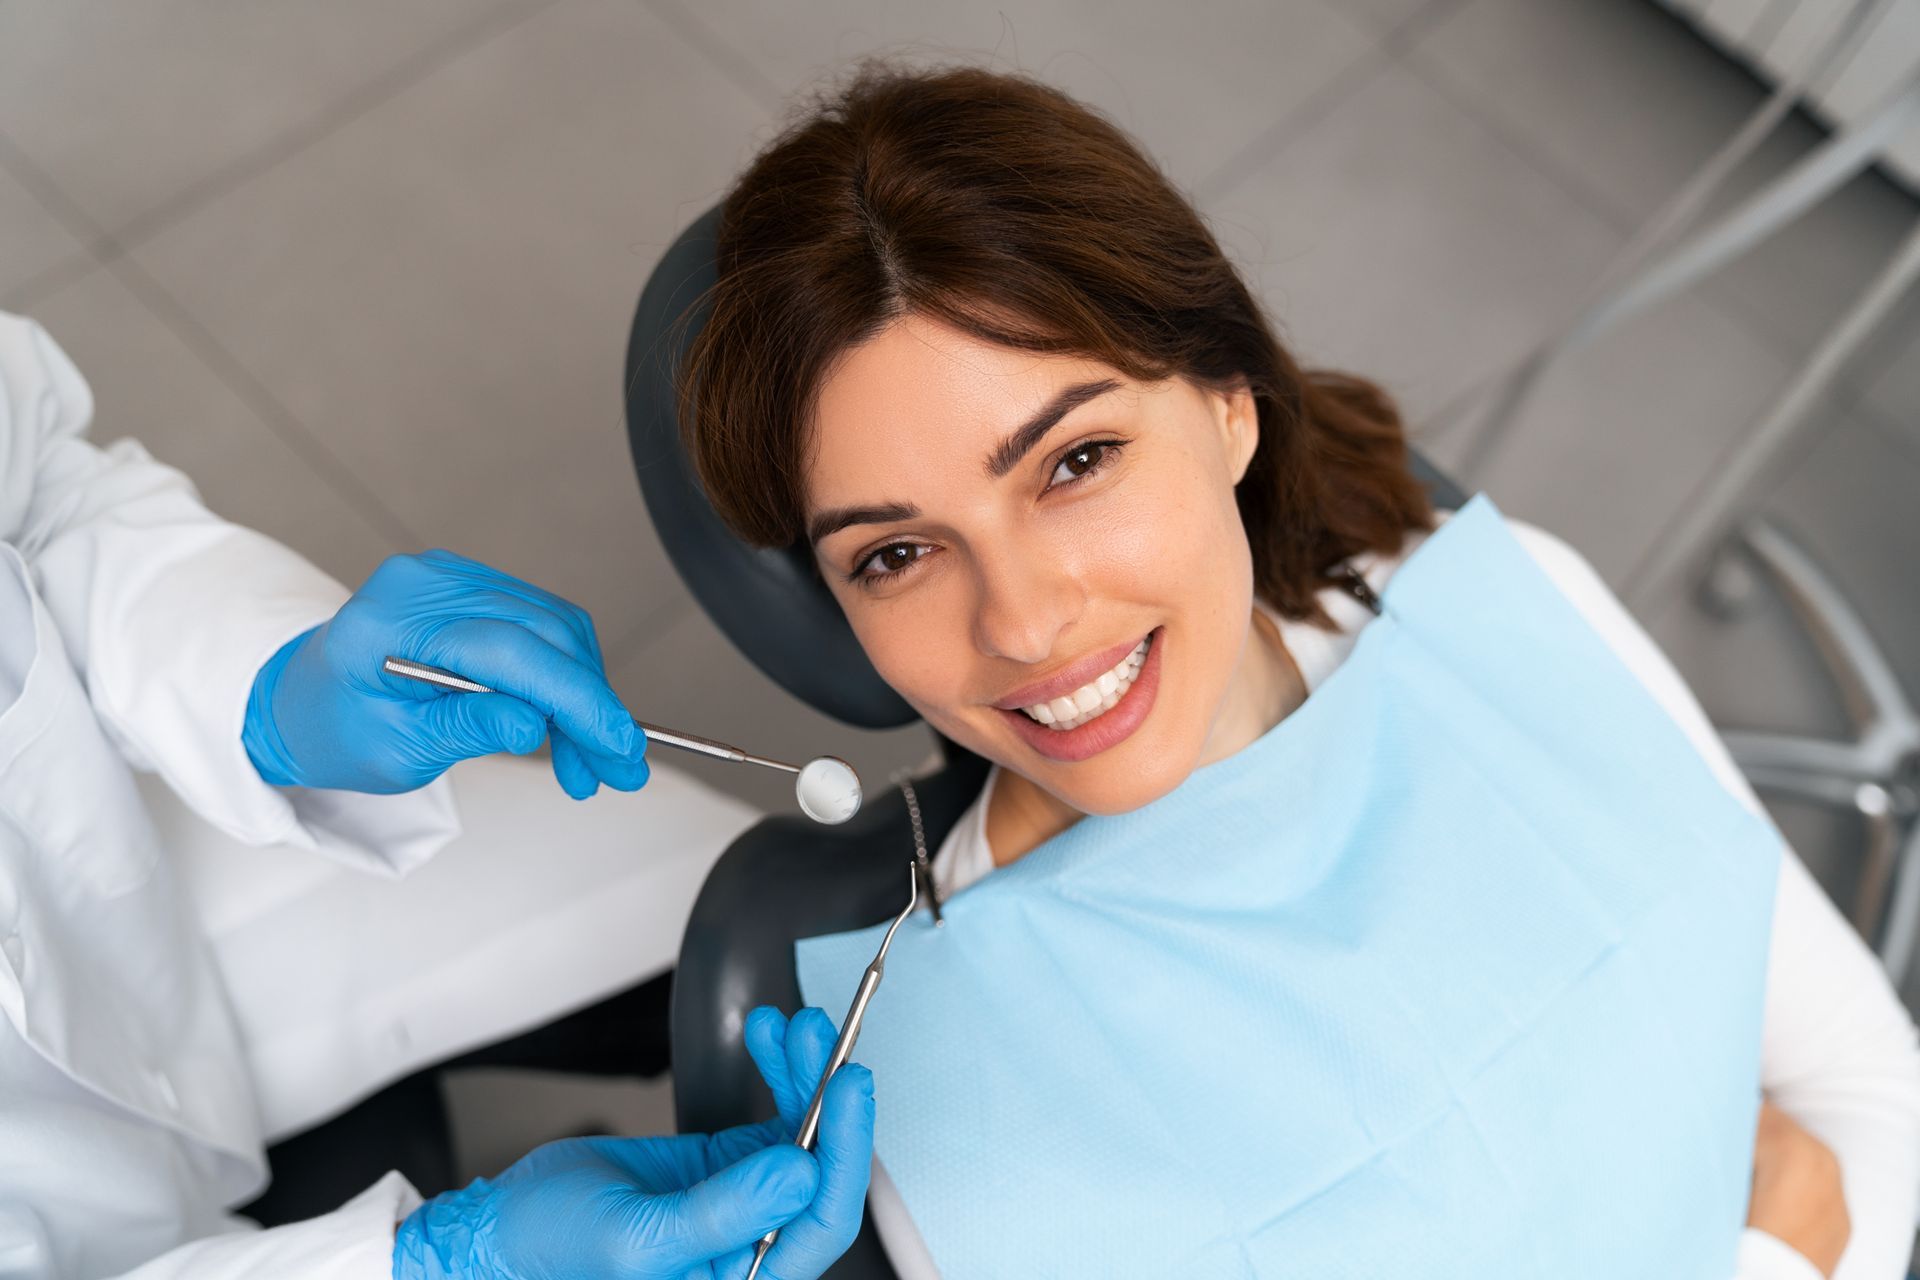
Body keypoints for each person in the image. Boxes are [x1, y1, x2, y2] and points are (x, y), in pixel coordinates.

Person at [675, 66, 1920, 1279]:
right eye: (895, 551)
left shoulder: (1503, 624)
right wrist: (1781, 1248)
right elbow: (1818, 1182)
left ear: (1229, 402)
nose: (1025, 622)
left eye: (1074, 461)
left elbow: (1866, 1085)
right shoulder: (931, 1064)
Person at [0, 310, 874, 1280]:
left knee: (710, 891)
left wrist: (270, 683)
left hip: (127, 902)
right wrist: (444, 1260)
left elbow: (39, 497)